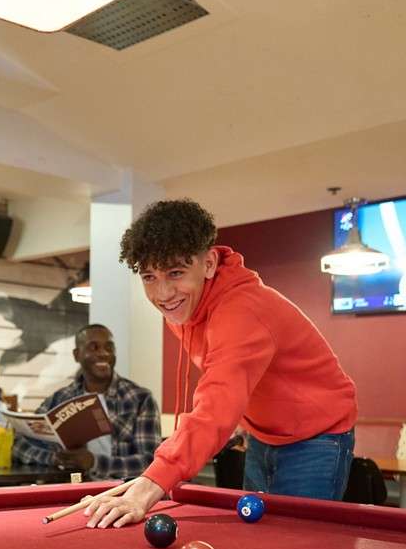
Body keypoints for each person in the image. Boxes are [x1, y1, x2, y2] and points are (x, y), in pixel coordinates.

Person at [85, 199, 357, 528]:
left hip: (318, 439)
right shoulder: (185, 309)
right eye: (149, 276)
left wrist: (150, 485)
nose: (163, 292)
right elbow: (233, 378)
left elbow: (216, 402)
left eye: (175, 272)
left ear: (210, 263)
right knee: (261, 543)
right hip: (262, 437)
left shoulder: (241, 312)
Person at [13, 324, 161, 480]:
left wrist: (94, 462)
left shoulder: (140, 399)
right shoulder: (60, 398)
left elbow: (151, 463)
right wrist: (54, 459)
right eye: (94, 347)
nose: (103, 353)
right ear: (77, 355)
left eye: (109, 348)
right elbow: (18, 445)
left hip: (121, 495)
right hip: (71, 493)